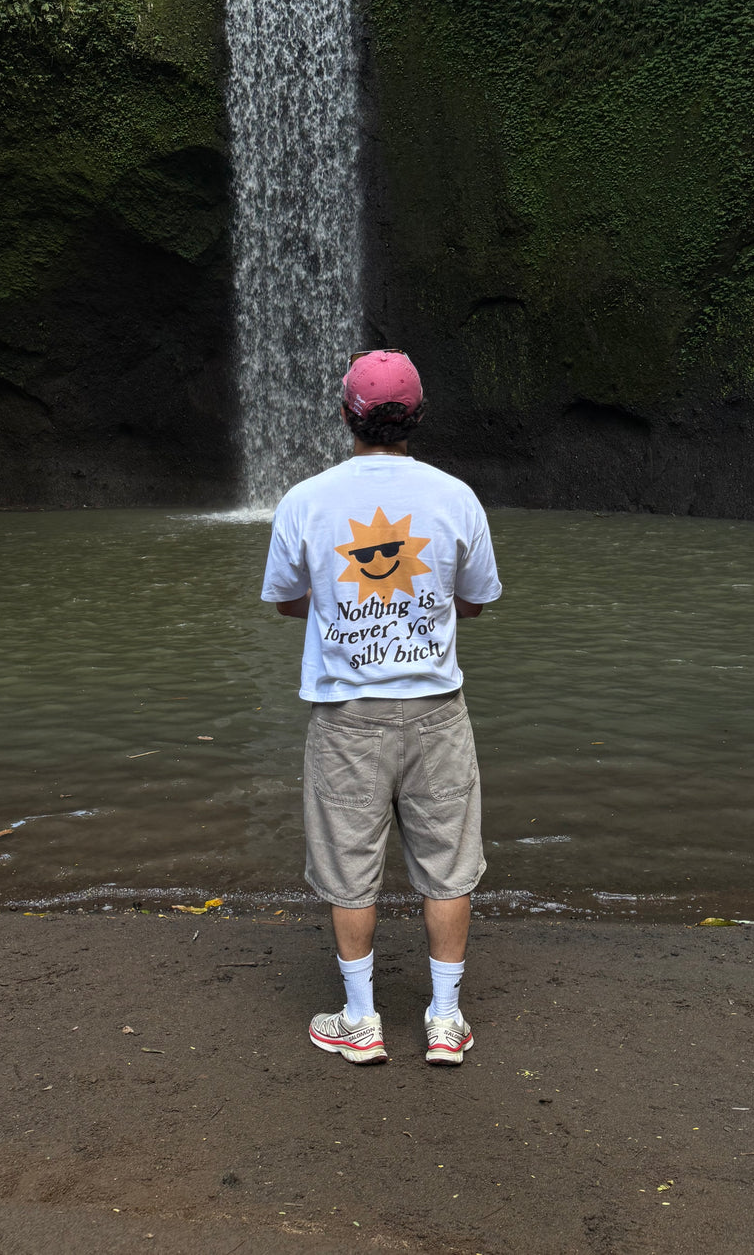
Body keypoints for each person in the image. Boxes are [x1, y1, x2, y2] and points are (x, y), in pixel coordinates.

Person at [261, 349, 501, 1066]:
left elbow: (284, 600)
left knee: (349, 866)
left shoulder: (306, 499)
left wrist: (339, 601)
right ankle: (445, 1019)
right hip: (436, 712)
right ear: (417, 416)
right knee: (448, 865)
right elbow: (478, 599)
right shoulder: (456, 496)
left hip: (347, 717)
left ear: (347, 416)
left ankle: (361, 1020)